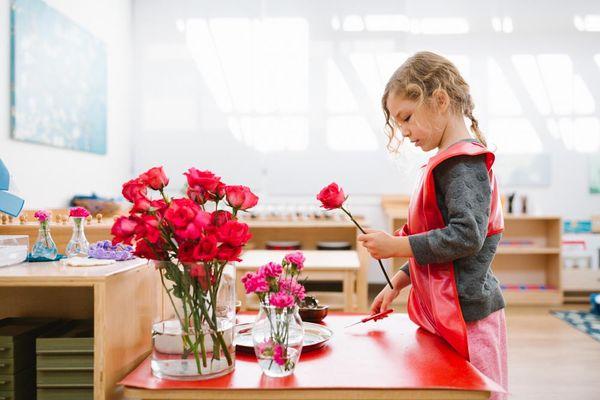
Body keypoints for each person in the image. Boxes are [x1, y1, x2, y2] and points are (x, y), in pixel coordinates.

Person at [357, 51, 507, 399]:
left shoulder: (463, 165)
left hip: (469, 317)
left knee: (475, 393)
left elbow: (466, 236)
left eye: (407, 118)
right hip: (447, 314)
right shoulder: (446, 163)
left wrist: (398, 247)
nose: (405, 132)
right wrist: (398, 282)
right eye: (399, 124)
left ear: (439, 100)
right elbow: (440, 243)